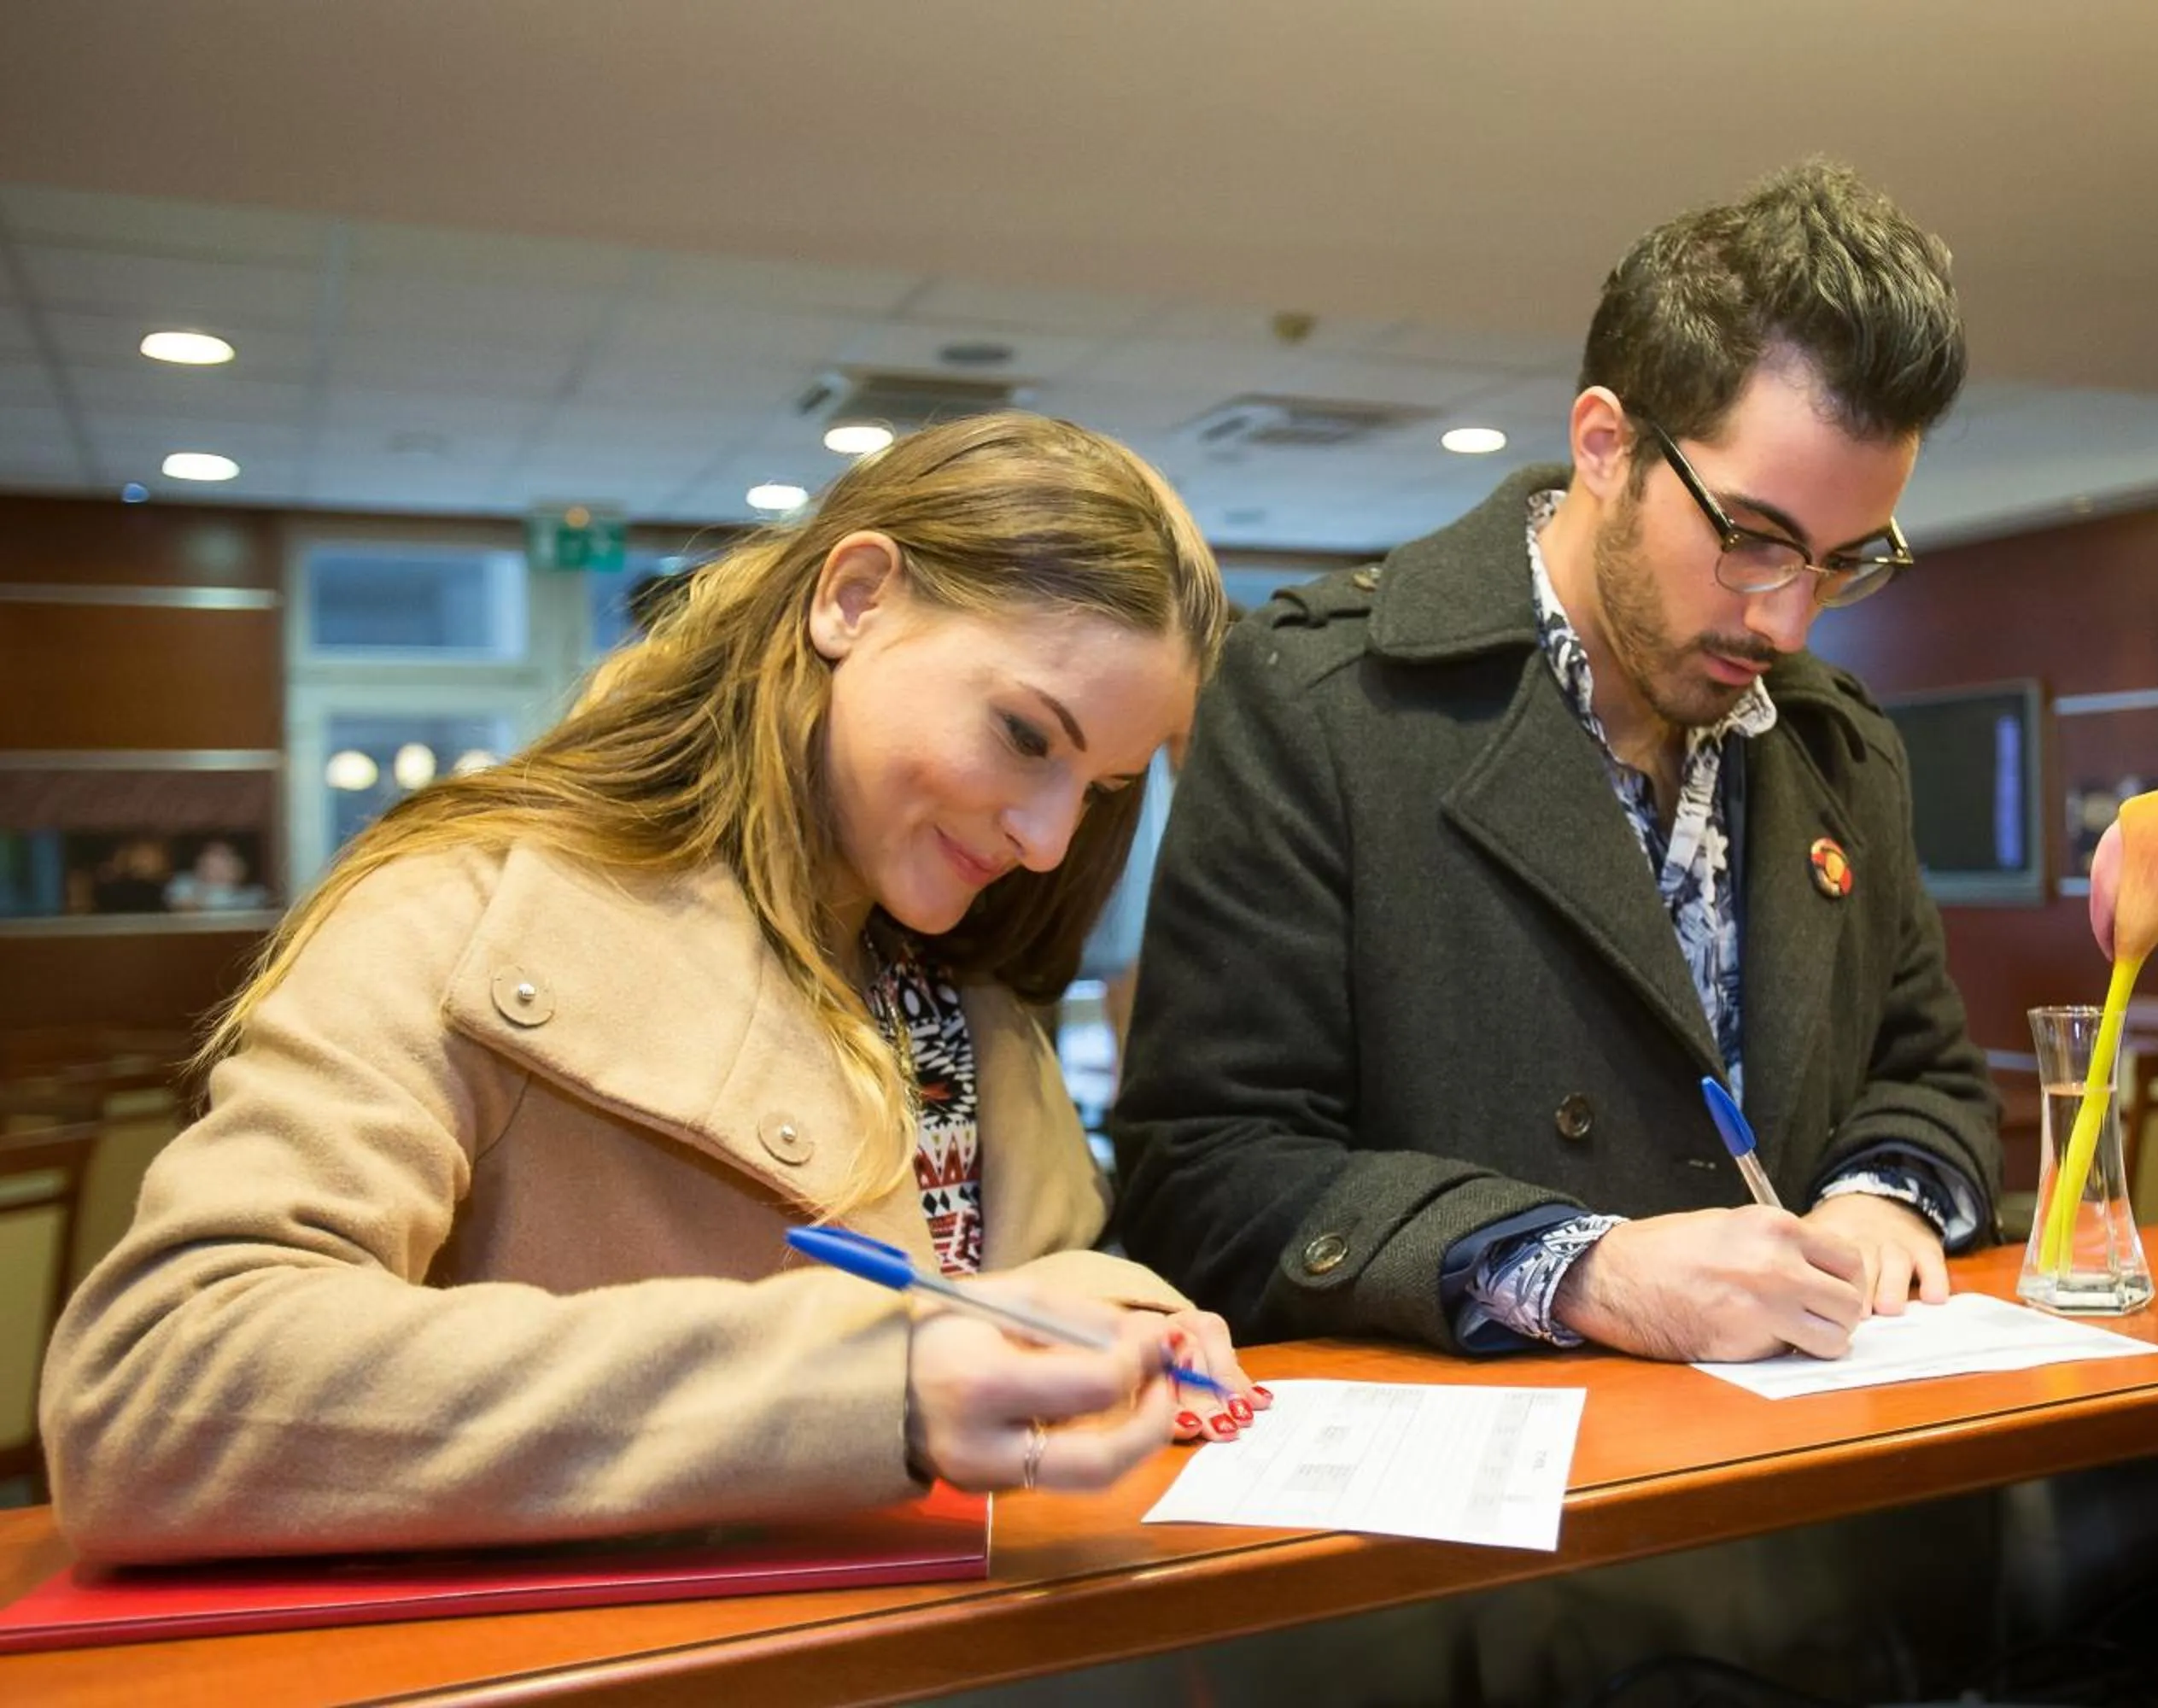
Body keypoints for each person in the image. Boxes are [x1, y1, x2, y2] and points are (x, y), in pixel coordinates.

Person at [42, 413, 1264, 1564]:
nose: (1051, 841)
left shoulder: (959, 978)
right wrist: (870, 1380)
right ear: (854, 600)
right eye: (1025, 736)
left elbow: (1017, 1275)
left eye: (1101, 789)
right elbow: (156, 1388)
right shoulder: (464, 907)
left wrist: (1108, 1307)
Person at [1112, 160, 2000, 1365]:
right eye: (1753, 539)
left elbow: (1930, 1075)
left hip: (1820, 1490)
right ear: (1604, 443)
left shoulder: (1839, 743)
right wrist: (1578, 1268)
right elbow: (1208, 1178)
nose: (1790, 623)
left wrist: (1883, 1194)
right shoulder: (1316, 703)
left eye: (1847, 561)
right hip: (1493, 1520)